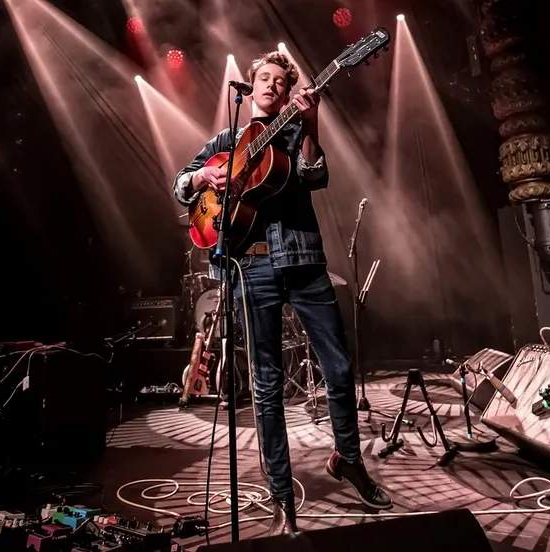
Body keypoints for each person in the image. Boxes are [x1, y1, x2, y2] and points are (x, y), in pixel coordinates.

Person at [172, 51, 391, 535]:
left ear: (290, 90)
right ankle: (282, 499)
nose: (271, 86)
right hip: (252, 270)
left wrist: (312, 124)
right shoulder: (225, 141)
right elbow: (180, 187)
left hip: (305, 262)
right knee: (267, 388)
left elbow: (316, 176)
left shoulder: (292, 131)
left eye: (280, 81)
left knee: (338, 366)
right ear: (251, 87)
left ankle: (348, 458)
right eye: (264, 79)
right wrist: (202, 176)